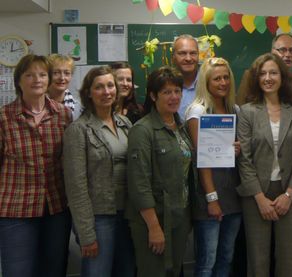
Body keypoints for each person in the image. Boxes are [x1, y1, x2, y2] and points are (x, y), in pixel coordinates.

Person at [236, 53, 292, 276]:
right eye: (263, 73)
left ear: (282, 76)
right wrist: (259, 198)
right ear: (256, 78)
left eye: (273, 72)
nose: (268, 78)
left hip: (288, 192)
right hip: (256, 194)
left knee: (289, 258)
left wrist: (288, 195)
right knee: (258, 259)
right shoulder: (247, 111)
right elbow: (244, 159)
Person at [0, 54, 72, 277]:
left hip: (56, 208)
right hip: (16, 210)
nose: (37, 80)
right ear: (19, 81)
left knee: (53, 269)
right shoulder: (4, 117)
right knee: (18, 271)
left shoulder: (63, 115)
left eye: (42, 75)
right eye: (29, 75)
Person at [63, 66, 135, 277]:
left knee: (127, 271)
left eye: (110, 85)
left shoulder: (126, 124)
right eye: (99, 87)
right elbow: (76, 187)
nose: (106, 92)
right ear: (88, 93)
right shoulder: (78, 130)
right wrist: (86, 234)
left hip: (128, 214)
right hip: (99, 218)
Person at [126, 66, 195, 277]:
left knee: (174, 271)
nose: (174, 97)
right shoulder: (143, 130)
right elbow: (139, 184)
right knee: (153, 272)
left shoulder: (181, 127)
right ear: (153, 95)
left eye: (177, 91)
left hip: (180, 214)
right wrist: (154, 227)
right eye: (167, 92)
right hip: (154, 218)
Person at [185, 57, 242, 277]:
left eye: (226, 77)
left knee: (226, 258)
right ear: (206, 82)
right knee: (207, 261)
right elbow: (202, 158)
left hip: (233, 196)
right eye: (216, 78)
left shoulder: (234, 110)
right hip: (210, 196)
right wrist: (212, 198)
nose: (223, 82)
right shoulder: (198, 112)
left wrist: (238, 147)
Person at [237, 33, 292, 105]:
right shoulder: (252, 75)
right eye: (282, 50)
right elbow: (241, 107)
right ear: (272, 51)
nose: (288, 55)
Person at [172, 34, 200, 118]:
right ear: (173, 57)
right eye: (182, 53)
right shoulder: (164, 86)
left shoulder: (209, 83)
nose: (188, 58)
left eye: (193, 53)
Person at [48, 53, 83, 119]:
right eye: (56, 73)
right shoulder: (37, 104)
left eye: (67, 73)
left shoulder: (78, 108)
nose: (62, 78)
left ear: (71, 76)